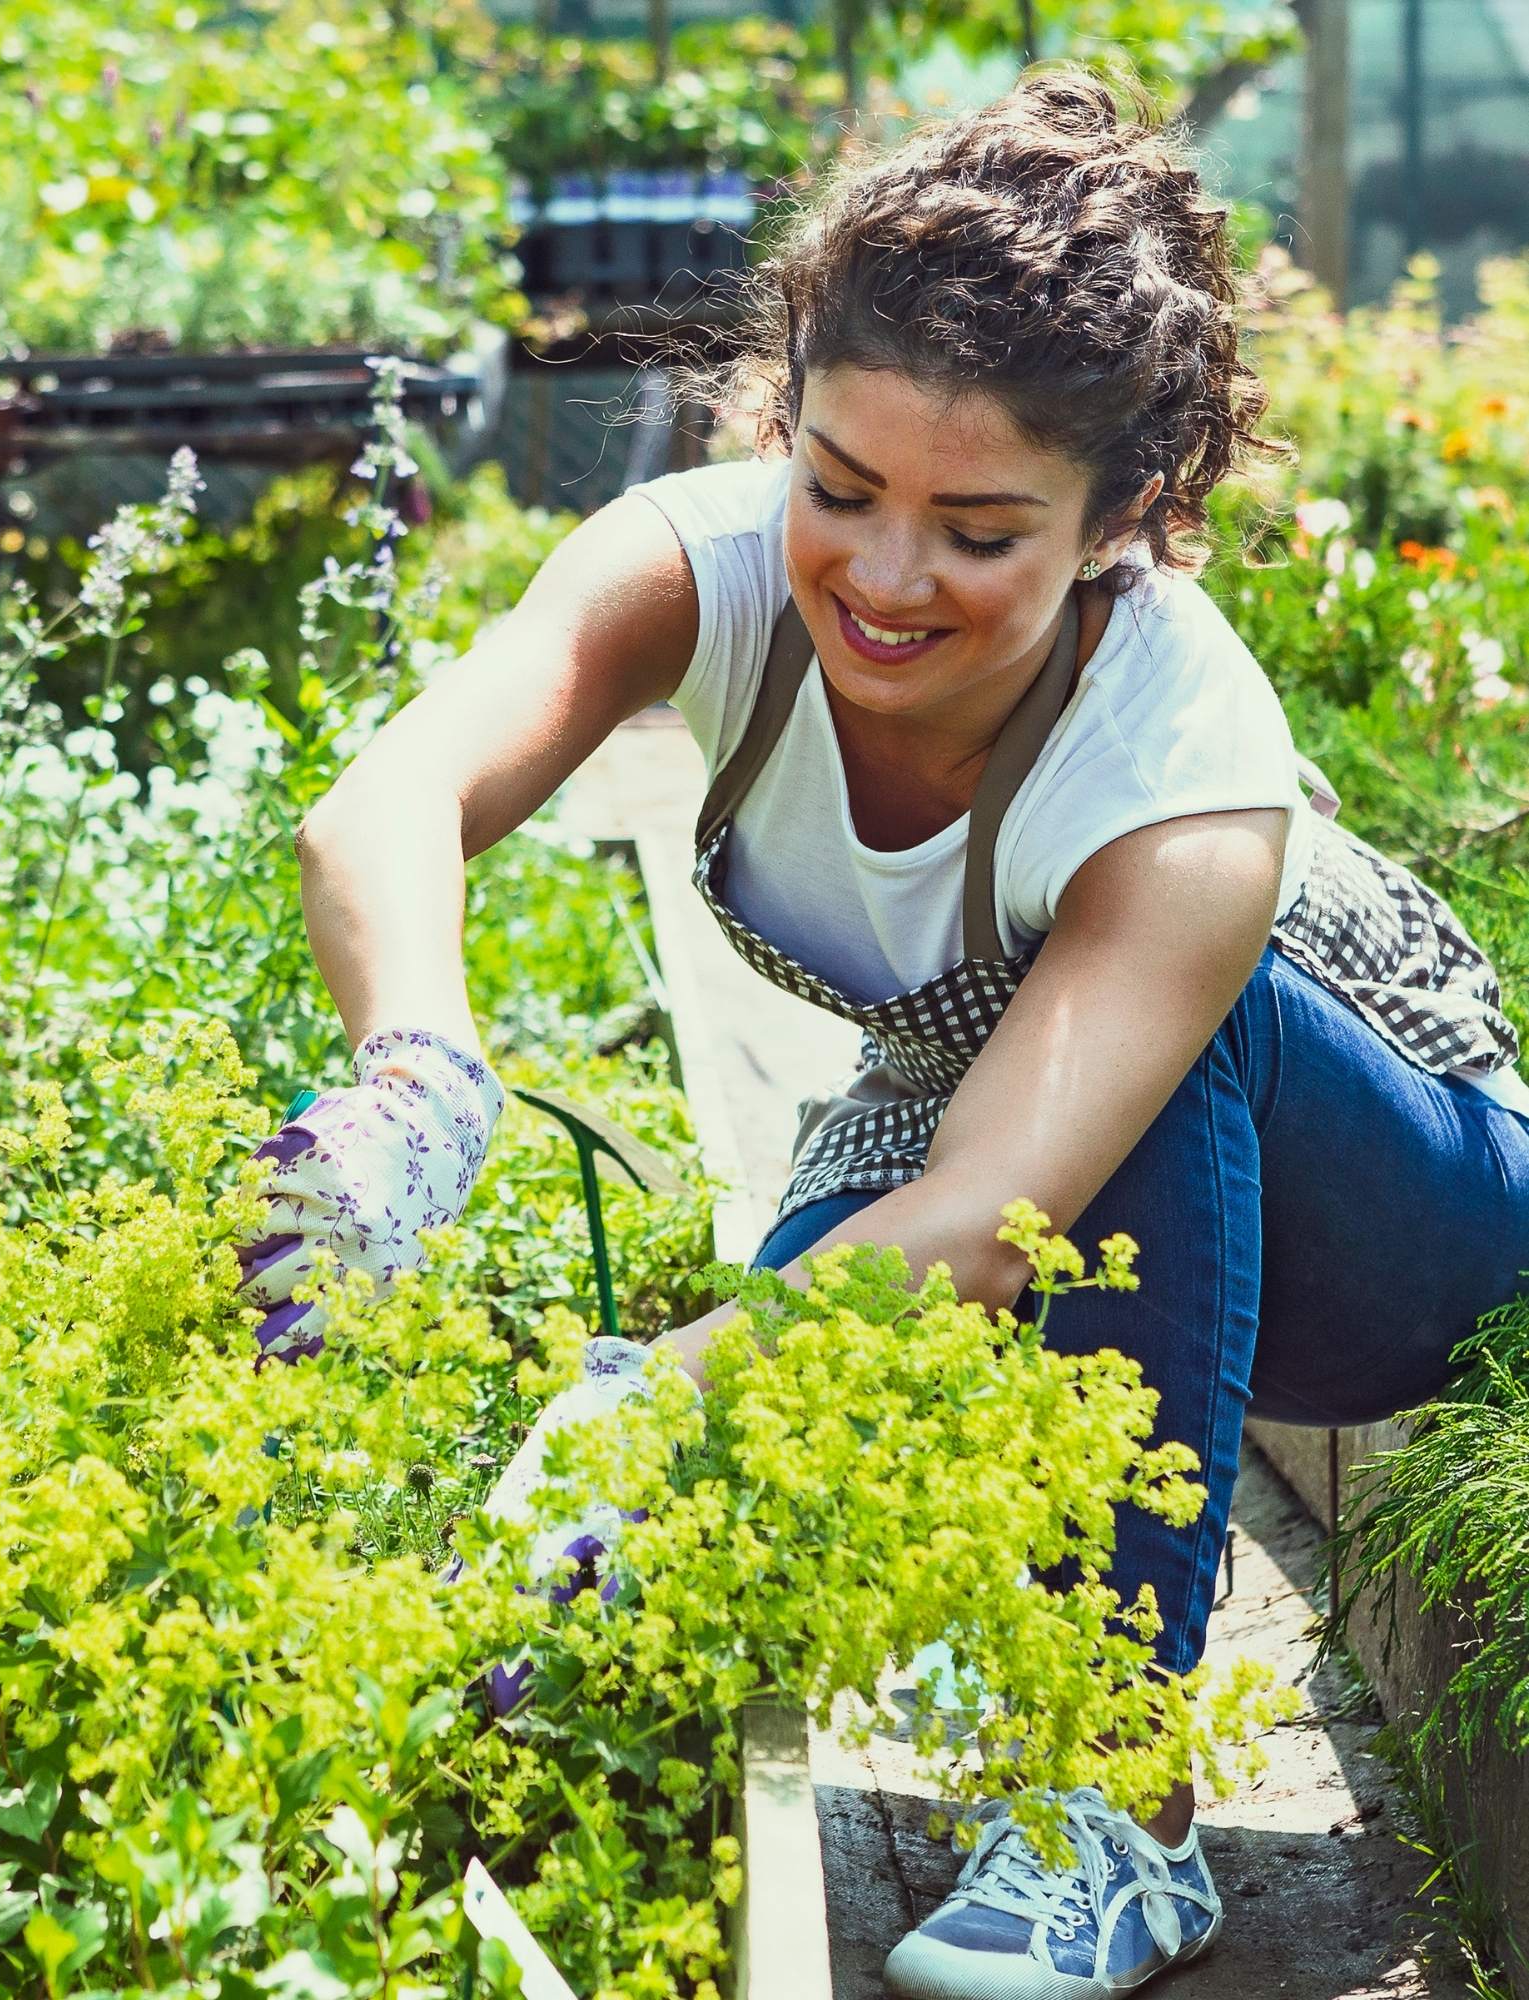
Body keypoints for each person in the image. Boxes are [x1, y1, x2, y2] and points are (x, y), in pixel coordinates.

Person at [234, 63, 1529, 2000]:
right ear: (782, 418)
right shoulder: (700, 562)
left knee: (1000, 1193)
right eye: (839, 488)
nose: (884, 575)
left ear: (1126, 513)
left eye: (979, 529)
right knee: (689, 1504)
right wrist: (418, 1071)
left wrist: (660, 1392)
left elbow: (1001, 1208)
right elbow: (386, 801)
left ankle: (1118, 1813)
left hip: (1410, 1229)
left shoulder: (1175, 757)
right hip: (996, 1143)